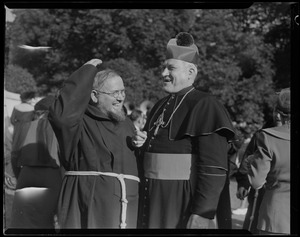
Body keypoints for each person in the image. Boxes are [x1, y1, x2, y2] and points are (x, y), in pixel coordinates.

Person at [132, 32, 236, 229]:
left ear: (190, 72)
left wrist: (203, 213)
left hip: (182, 202)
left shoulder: (206, 105)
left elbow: (213, 167)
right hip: (152, 199)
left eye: (170, 68)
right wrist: (140, 143)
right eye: (163, 67)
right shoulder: (159, 105)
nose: (163, 73)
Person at [48, 59, 140, 228]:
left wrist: (140, 144)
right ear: (94, 95)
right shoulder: (79, 121)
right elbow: (61, 117)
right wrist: (87, 71)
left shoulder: (126, 123)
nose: (121, 98)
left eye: (122, 91)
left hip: (125, 207)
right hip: (85, 201)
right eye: (114, 93)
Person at [10, 95, 63, 229]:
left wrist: (19, 176)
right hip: (53, 176)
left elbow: (14, 156)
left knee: (23, 223)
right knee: (50, 222)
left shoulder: (24, 127)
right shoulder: (61, 130)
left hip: (26, 174)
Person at [247, 88, 290, 235]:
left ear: (278, 113)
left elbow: (256, 182)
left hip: (276, 216)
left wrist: (251, 161)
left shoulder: (268, 137)